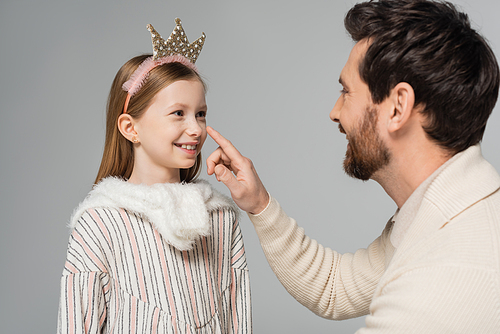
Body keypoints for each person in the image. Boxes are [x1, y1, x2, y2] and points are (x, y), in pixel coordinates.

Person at [205, 0, 500, 332]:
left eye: (346, 91)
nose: (334, 111)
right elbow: (335, 288)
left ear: (398, 107)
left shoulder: (445, 274)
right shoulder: (446, 209)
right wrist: (259, 204)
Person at [57, 19, 251, 334]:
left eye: (200, 113)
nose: (196, 129)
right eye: (178, 113)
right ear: (130, 128)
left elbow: (237, 319)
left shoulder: (220, 218)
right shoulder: (100, 222)